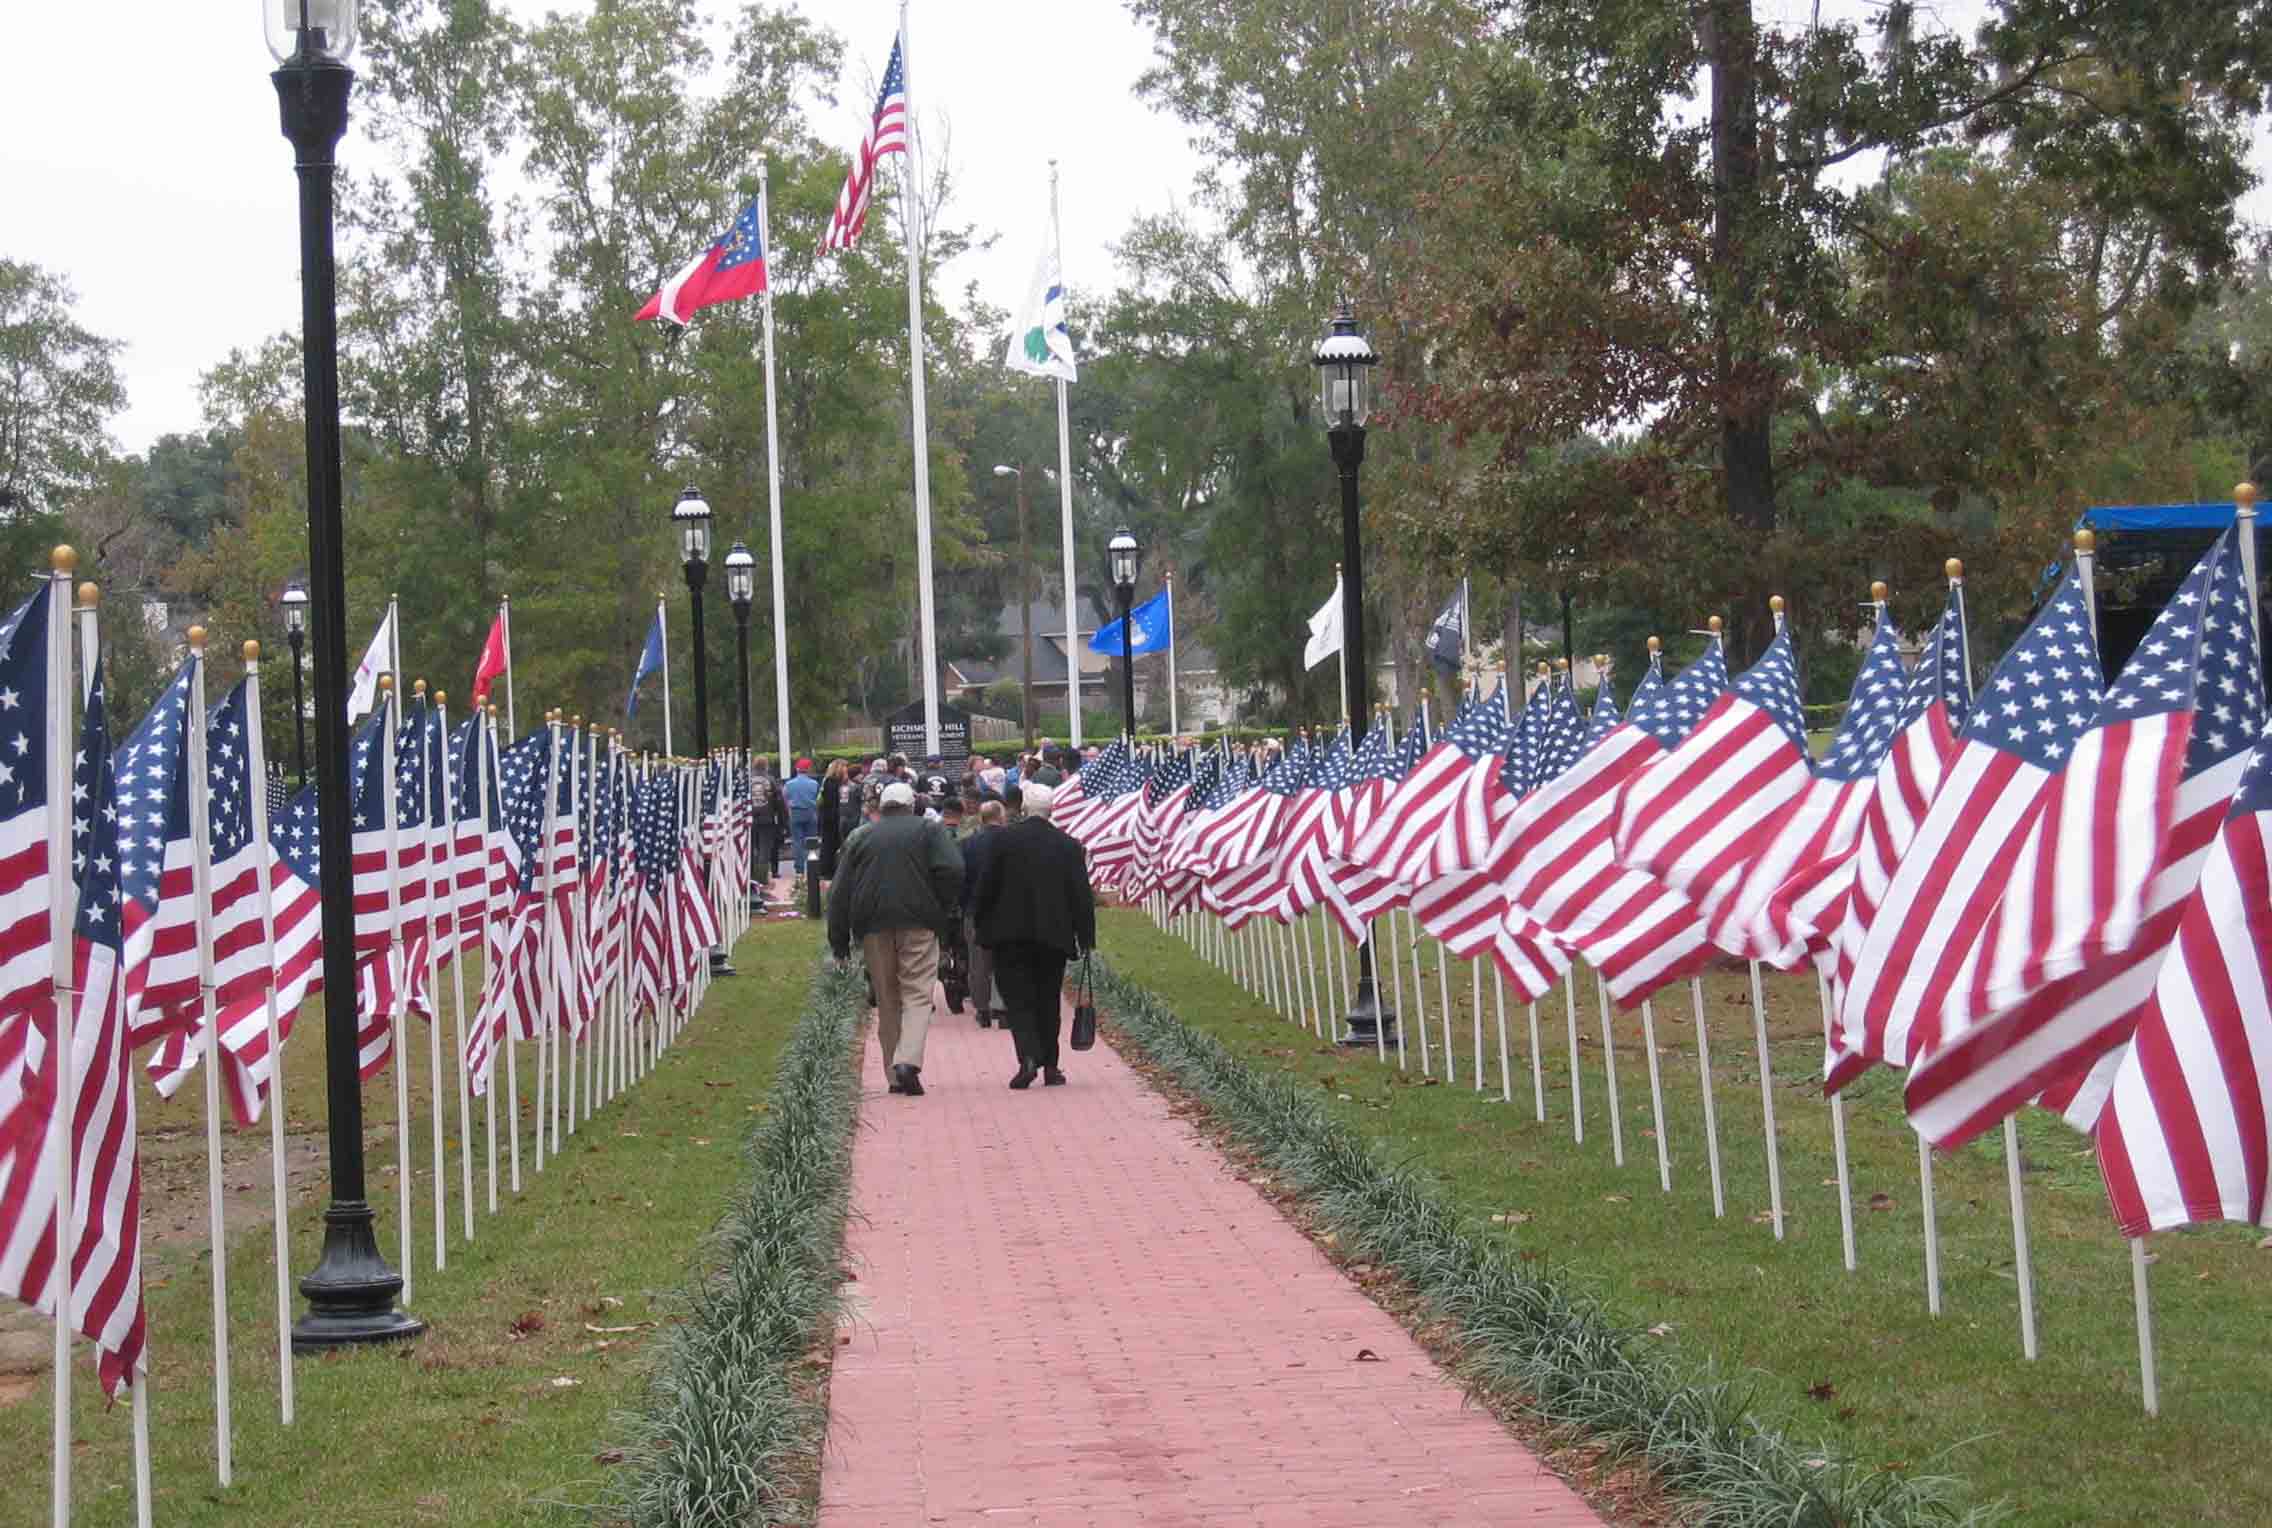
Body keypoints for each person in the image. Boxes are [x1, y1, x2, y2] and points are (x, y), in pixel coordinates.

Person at [828, 781, 963, 1096]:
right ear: (911, 805)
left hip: (873, 924)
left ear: (882, 807)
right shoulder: (930, 831)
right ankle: (907, 1061)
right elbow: (953, 869)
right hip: (919, 921)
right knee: (917, 993)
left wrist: (839, 941)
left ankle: (893, 1073)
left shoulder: (861, 837)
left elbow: (839, 892)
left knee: (887, 997)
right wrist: (940, 905)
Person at [974, 781, 1096, 1089]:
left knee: (1018, 1000)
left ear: (1024, 808)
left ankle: (1028, 1057)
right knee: (1047, 999)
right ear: (1051, 809)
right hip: (1053, 935)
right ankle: (1051, 1065)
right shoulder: (1068, 845)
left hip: (1009, 934)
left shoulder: (1003, 842)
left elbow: (986, 885)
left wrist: (979, 921)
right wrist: (1086, 936)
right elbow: (1081, 896)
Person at [959, 800, 1009, 1029]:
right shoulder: (1012, 841)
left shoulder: (968, 844)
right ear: (1001, 816)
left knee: (978, 962)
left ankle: (982, 1008)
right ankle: (1002, 1005)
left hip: (974, 909)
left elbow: (962, 877)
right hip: (1005, 909)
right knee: (1004, 959)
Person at [783, 757, 820, 870]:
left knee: (797, 841)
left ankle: (799, 867)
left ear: (797, 769)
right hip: (810, 812)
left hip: (795, 812)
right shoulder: (814, 783)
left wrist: (789, 809)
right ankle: (811, 865)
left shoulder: (789, 784)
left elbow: (785, 797)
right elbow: (818, 799)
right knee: (811, 840)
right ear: (808, 769)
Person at [817, 758, 851, 881]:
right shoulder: (833, 783)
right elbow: (835, 803)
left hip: (828, 818)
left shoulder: (827, 781)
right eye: (845, 767)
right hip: (832, 819)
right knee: (831, 845)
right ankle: (828, 871)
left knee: (828, 845)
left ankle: (826, 870)